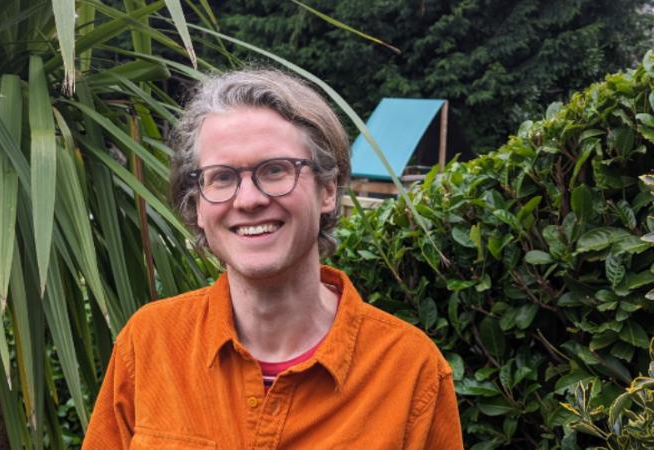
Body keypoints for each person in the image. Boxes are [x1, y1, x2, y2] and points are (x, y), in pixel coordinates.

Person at [83, 69, 463, 449]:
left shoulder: (411, 372)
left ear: (328, 190)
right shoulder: (149, 344)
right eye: (222, 177)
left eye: (276, 170)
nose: (248, 200)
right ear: (197, 205)